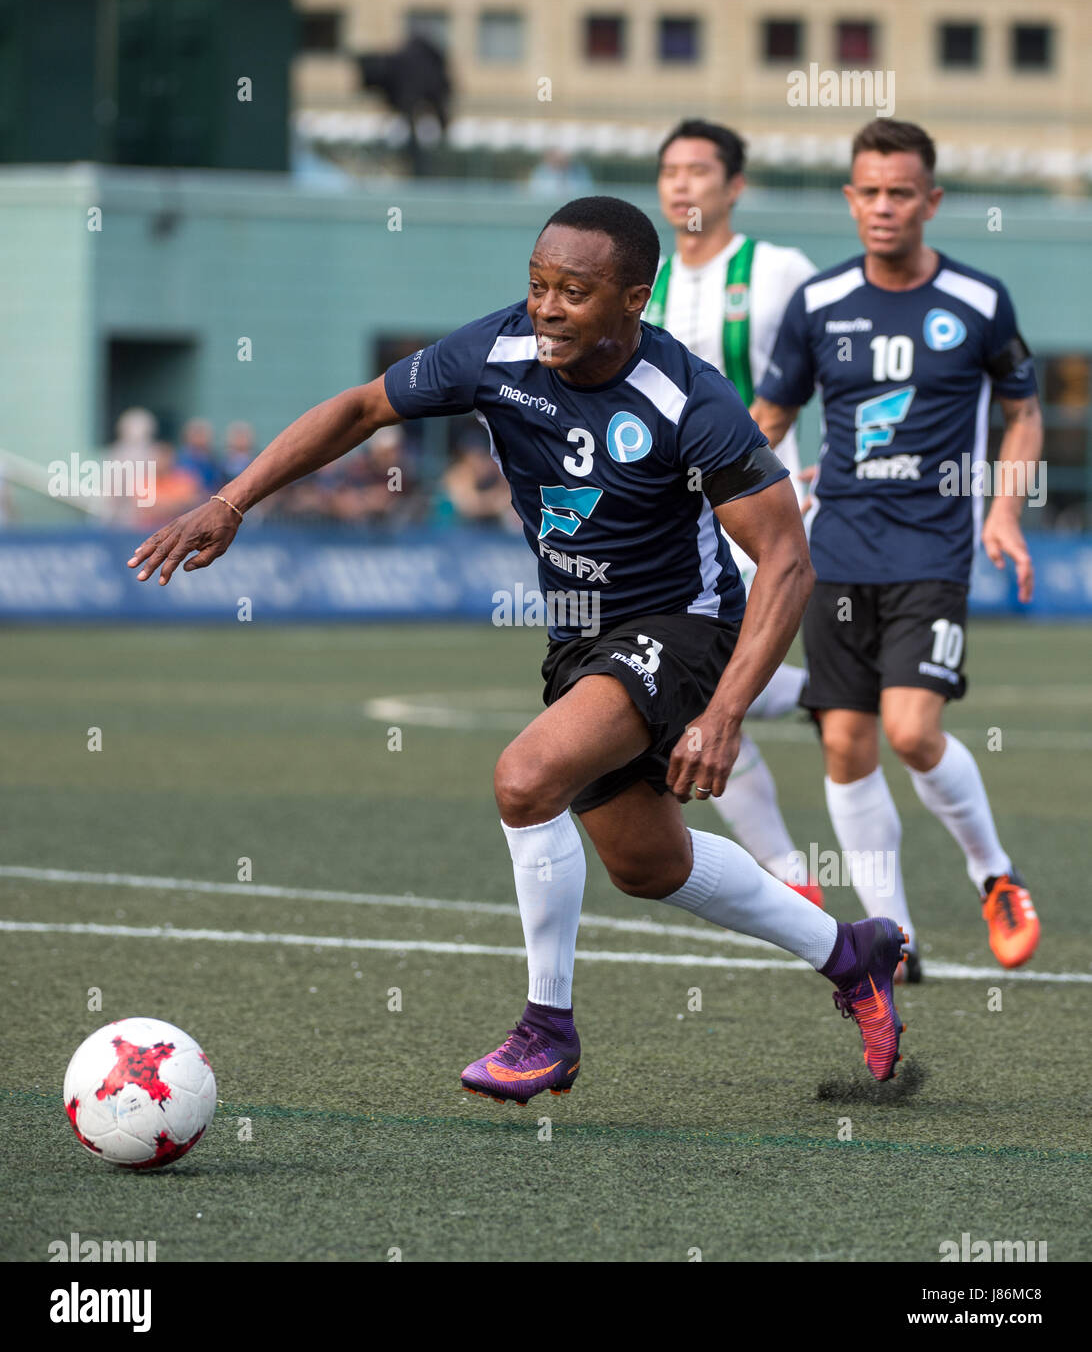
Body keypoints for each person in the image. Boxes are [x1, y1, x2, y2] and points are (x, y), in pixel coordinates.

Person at [128, 196, 910, 1100]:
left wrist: (727, 711)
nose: (546, 307)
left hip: (683, 629)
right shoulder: (495, 351)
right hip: (579, 639)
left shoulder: (686, 397)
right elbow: (358, 409)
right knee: (649, 864)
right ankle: (853, 955)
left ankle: (547, 1031)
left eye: (574, 292)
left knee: (525, 777)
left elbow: (786, 559)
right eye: (538, 285)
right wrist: (231, 501)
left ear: (634, 299)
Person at [751, 119, 1043, 980]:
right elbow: (770, 419)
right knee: (845, 740)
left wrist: (1004, 511)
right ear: (851, 200)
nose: (884, 207)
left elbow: (1024, 410)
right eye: (869, 192)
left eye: (901, 193)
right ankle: (894, 937)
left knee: (912, 731)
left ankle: (993, 873)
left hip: (931, 553)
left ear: (932, 201)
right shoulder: (818, 305)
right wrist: (750, 496)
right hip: (833, 553)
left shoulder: (980, 303)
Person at [650, 119, 821, 903]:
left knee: (713, 679)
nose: (682, 184)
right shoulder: (641, 280)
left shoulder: (776, 269)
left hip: (760, 505)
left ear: (734, 185)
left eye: (699, 170)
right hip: (669, 518)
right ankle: (792, 875)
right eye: (670, 171)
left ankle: (789, 876)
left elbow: (832, 358)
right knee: (714, 695)